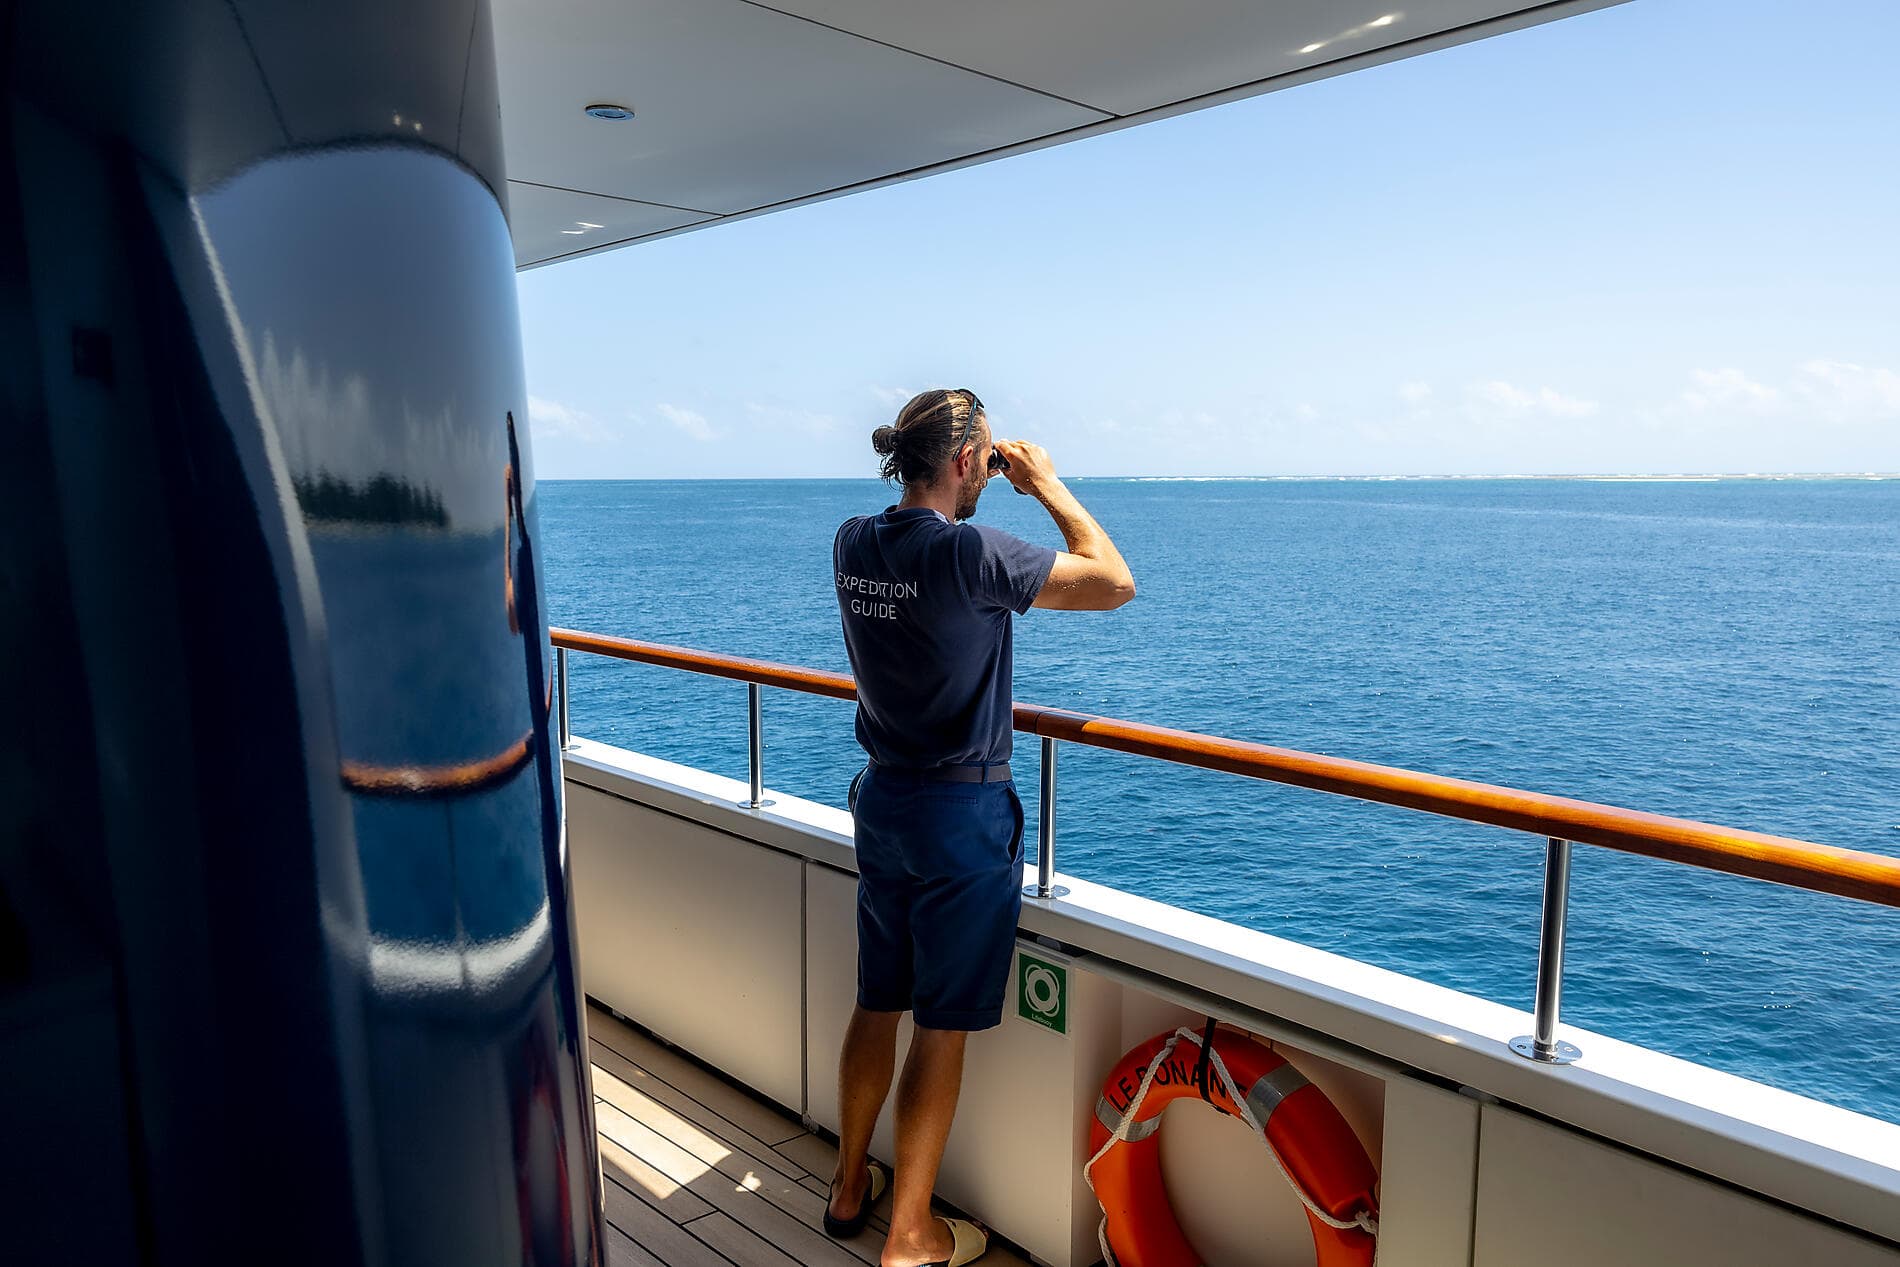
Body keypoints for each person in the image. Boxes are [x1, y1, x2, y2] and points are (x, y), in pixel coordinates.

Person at [827, 388, 1134, 1267]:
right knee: (942, 1023)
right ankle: (911, 1232)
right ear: (967, 461)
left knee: (876, 999)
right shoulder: (972, 554)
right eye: (987, 460)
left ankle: (852, 1185)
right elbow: (1113, 579)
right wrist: (1045, 485)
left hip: (882, 802)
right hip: (960, 814)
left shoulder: (854, 541)